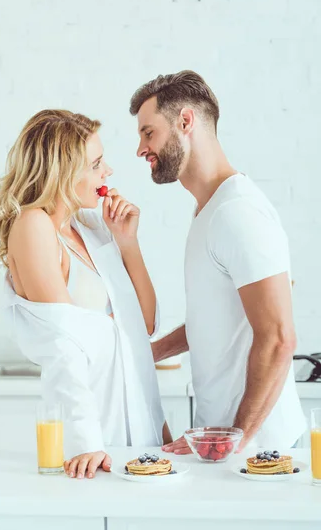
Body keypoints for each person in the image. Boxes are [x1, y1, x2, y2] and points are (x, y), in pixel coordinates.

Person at [0, 109, 170, 478]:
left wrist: (127, 243)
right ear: (62, 171)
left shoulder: (92, 226)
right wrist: (86, 441)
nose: (107, 172)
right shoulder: (33, 226)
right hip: (91, 442)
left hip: (142, 429)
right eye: (96, 163)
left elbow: (145, 325)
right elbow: (61, 344)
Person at [129, 71, 306, 452]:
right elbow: (214, 321)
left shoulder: (237, 212)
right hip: (224, 443)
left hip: (259, 452)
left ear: (185, 121)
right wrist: (150, 352)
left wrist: (236, 438)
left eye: (148, 132)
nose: (141, 149)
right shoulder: (209, 210)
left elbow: (279, 338)